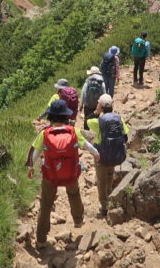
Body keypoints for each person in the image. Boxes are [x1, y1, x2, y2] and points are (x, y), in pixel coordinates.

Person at [25, 99, 99, 249]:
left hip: (50, 176)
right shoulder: (73, 131)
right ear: (65, 116)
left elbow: (35, 153)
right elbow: (87, 146)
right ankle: (78, 220)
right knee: (74, 194)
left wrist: (30, 168)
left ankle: (40, 239)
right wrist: (96, 154)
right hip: (70, 174)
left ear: (51, 117)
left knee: (46, 204)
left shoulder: (44, 133)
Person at [85, 94, 128, 217]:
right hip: (115, 154)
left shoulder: (97, 121)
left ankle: (104, 206)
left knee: (101, 181)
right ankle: (110, 199)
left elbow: (87, 120)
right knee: (109, 177)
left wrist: (96, 111)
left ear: (101, 106)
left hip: (101, 156)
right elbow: (126, 136)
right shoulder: (119, 119)